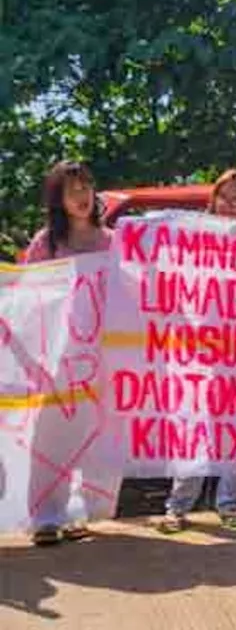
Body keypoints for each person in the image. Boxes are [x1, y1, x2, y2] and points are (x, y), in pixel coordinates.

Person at [157, 171, 236, 533]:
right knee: (193, 426)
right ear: (213, 199)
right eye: (224, 197)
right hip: (198, 351)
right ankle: (178, 506)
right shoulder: (195, 236)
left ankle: (231, 504)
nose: (230, 206)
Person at [21, 160, 114, 546]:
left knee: (97, 434)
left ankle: (81, 512)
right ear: (58, 198)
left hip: (104, 357)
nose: (81, 196)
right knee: (50, 436)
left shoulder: (114, 241)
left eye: (86, 187)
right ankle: (45, 517)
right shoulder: (46, 243)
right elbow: (27, 297)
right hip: (56, 356)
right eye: (71, 189)